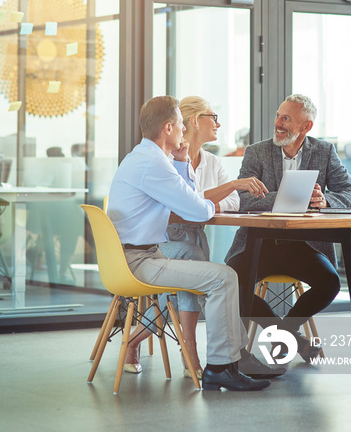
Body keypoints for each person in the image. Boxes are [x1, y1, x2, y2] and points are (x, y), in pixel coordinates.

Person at [107, 95, 271, 392]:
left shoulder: (141, 157)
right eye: (182, 124)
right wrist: (206, 202)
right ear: (169, 128)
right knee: (224, 278)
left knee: (203, 263)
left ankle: (231, 359)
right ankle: (222, 367)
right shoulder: (156, 164)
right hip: (139, 261)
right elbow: (195, 209)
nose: (185, 129)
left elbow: (186, 199)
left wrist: (183, 167)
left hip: (136, 255)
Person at [225, 93, 351, 361]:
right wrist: (287, 196)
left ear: (306, 126)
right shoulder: (257, 152)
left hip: (304, 247)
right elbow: (240, 198)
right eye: (278, 115)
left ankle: (285, 333)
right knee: (232, 283)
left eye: (286, 118)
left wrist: (325, 200)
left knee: (330, 283)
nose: (278, 123)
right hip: (258, 245)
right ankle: (291, 341)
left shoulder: (324, 152)